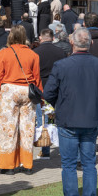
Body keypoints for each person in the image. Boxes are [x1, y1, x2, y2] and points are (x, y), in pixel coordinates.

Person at [44, 28, 98, 196]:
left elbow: (48, 93)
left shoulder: (62, 65)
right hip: (90, 120)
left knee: (69, 165)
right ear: (90, 44)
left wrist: (60, 105)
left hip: (69, 119)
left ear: (73, 43)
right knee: (89, 164)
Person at [0, 26, 41, 174]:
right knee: (27, 128)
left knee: (8, 128)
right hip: (27, 91)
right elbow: (37, 79)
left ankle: (8, 165)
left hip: (9, 91)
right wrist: (42, 97)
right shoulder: (33, 54)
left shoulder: (4, 53)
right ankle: (26, 164)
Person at [34, 28, 66, 158]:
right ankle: (59, 146)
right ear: (53, 38)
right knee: (53, 118)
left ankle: (45, 149)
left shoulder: (35, 53)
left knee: (42, 119)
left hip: (41, 89)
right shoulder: (61, 52)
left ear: (41, 38)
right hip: (57, 89)